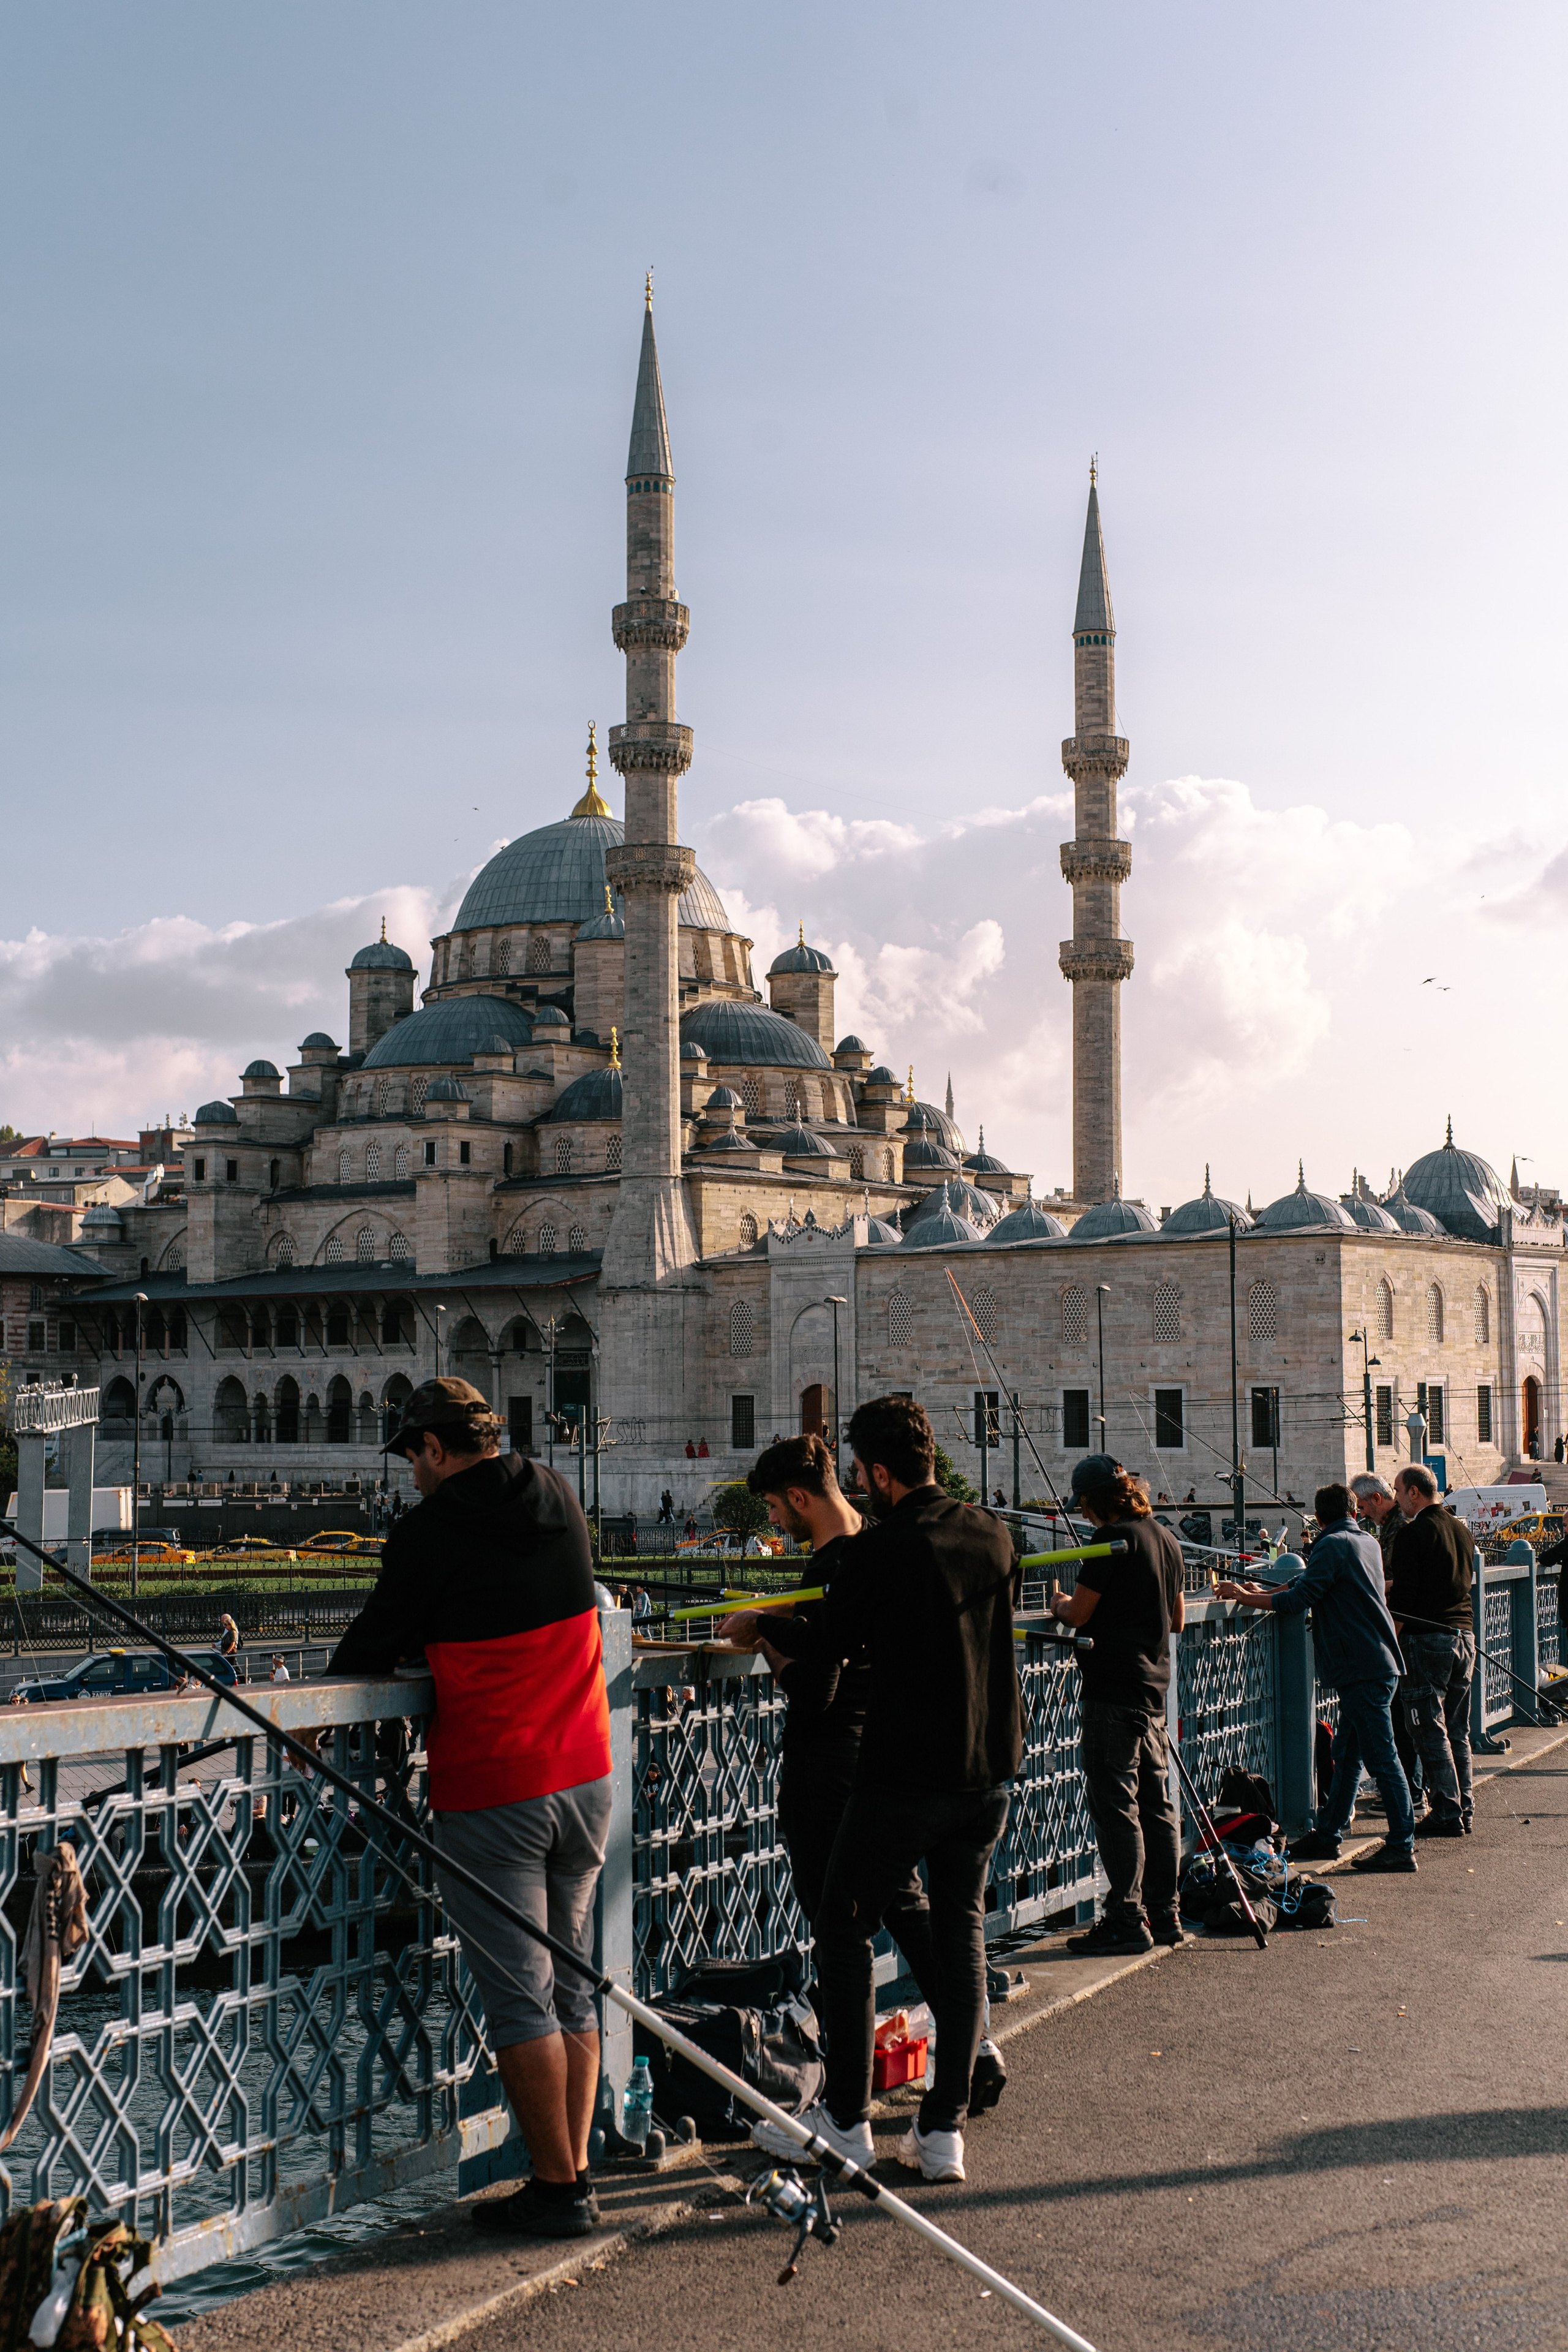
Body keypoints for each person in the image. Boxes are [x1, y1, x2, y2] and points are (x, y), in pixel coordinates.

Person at [331, 1377, 612, 2241]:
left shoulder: (429, 1531)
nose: (412, 1474)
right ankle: (576, 2172)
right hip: (588, 1775)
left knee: (522, 2001)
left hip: (496, 1788)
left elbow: (371, 1644)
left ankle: (556, 2190)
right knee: (574, 1987)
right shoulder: (558, 1493)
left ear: (435, 1448)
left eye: (413, 1457)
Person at [745, 1396, 1020, 2187]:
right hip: (987, 1769)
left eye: (863, 1472)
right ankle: (942, 2132)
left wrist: (764, 1623)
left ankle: (846, 2123)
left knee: (843, 1927)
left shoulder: (880, 1550)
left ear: (878, 1472)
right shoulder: (993, 1533)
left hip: (905, 1775)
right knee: (960, 1937)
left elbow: (828, 1647)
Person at [720, 1436, 939, 1994]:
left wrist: (765, 1638)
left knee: (834, 1922)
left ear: (799, 1497)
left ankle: (844, 2043)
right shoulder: (874, 1540)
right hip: (882, 1752)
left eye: (774, 1507)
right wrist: (779, 1615)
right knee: (902, 1900)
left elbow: (816, 1690)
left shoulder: (827, 1564)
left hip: (825, 1769)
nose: (774, 1520)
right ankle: (969, 2022)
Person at [1218, 1480, 1415, 1872]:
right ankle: (1328, 1835)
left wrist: (1244, 1597)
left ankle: (1401, 1845)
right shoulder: (1367, 1543)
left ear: (1319, 1518)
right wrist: (1262, 1589)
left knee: (1383, 1759)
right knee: (1348, 1755)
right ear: (1354, 1512)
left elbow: (1299, 1599)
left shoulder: (1332, 1544)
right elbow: (1309, 1582)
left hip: (1361, 1668)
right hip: (1378, 1662)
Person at [1047, 1456, 1185, 1953]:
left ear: (1095, 1501)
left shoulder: (1109, 1542)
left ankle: (1126, 1919)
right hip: (1153, 1692)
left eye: (1083, 1505)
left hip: (1111, 1691)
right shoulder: (1166, 1538)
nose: (1083, 1514)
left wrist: (1058, 1604)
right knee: (1157, 1806)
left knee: (1115, 1807)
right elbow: (1177, 1620)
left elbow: (1079, 1614)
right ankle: (1165, 1914)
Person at [1389, 1463, 1476, 1837]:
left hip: (1426, 1640)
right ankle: (1463, 1807)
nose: (1396, 1499)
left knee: (1427, 1727)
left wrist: (1391, 1639)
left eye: (1398, 1491)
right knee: (1457, 1729)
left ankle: (1445, 1811)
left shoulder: (1413, 1534)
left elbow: (1405, 1597)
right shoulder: (1461, 1530)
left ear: (1414, 1492)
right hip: (1464, 1637)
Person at [1349, 1472, 1426, 1817]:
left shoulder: (1401, 1528)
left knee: (1403, 1718)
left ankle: (1409, 1795)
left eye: (1363, 1506)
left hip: (1402, 1631)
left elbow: (1402, 1581)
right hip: (1405, 1630)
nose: (1362, 1513)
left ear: (1377, 1499)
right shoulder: (1394, 1526)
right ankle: (1413, 1791)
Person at [214, 1615, 240, 1688]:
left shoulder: (233, 1632)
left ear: (230, 1625)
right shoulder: (228, 1631)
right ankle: (242, 1680)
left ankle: (243, 1680)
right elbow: (223, 1641)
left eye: (226, 1624)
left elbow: (233, 1644)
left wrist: (227, 1652)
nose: (224, 1626)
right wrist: (216, 1645)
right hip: (227, 1653)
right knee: (234, 1667)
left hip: (231, 1653)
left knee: (233, 1668)